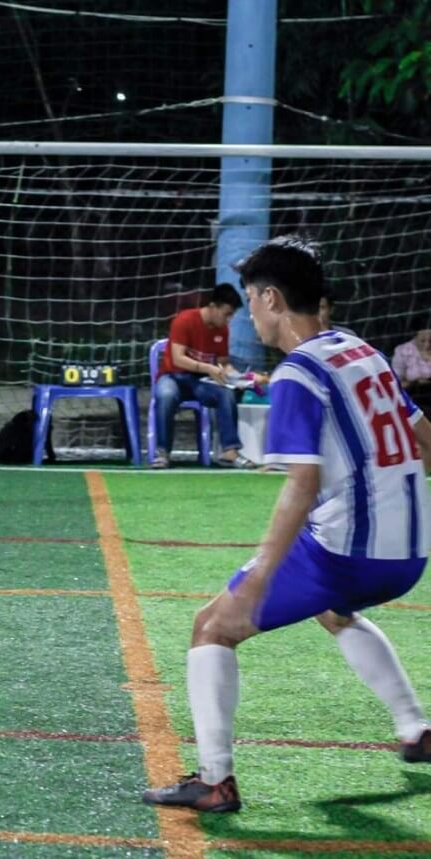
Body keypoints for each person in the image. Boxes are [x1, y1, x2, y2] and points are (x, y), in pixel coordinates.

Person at [143, 235, 431, 814]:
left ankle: (215, 781)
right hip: (410, 553)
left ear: (271, 298)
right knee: (333, 610)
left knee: (211, 628)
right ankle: (415, 729)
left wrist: (262, 572)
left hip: (347, 554)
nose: (250, 312)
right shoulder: (362, 350)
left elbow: (301, 486)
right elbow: (425, 436)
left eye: (251, 299)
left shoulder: (298, 373)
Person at [152, 283, 248, 469]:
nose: (229, 319)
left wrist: (240, 378)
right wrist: (208, 368)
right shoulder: (185, 320)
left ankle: (229, 451)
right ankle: (162, 452)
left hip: (200, 382)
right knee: (165, 395)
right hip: (173, 376)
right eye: (227, 314)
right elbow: (178, 359)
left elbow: (223, 363)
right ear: (213, 307)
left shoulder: (222, 330)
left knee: (226, 394)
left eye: (232, 315)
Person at [392, 322, 431, 415]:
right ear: (416, 336)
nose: (427, 344)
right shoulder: (402, 351)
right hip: (414, 395)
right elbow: (396, 384)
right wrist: (413, 382)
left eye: (430, 340)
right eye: (423, 340)